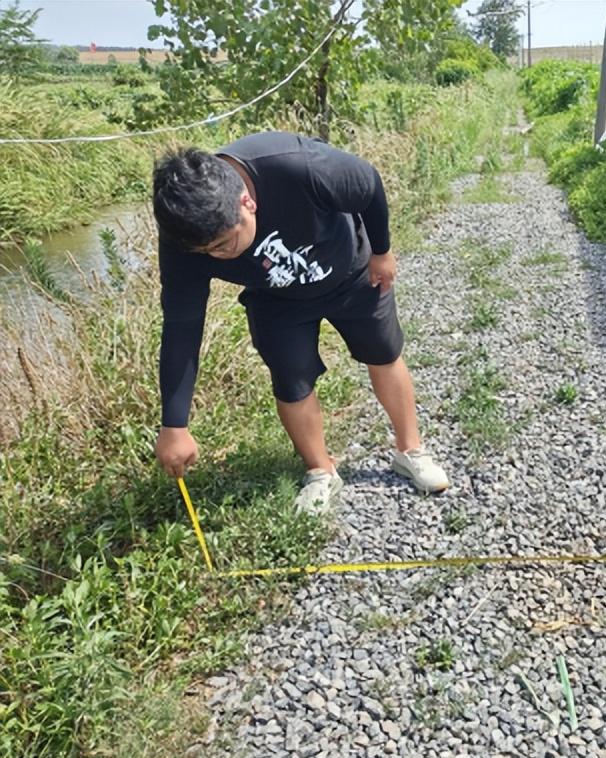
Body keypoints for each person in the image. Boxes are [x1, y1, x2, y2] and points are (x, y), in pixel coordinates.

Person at [152, 131, 449, 514]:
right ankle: (320, 471)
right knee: (291, 382)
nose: (220, 257)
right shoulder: (182, 237)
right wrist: (174, 424)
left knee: (384, 353)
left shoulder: (297, 166)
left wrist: (382, 251)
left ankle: (411, 451)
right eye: (207, 252)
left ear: (247, 201)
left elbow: (369, 184)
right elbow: (181, 325)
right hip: (276, 299)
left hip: (353, 272)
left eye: (225, 242)